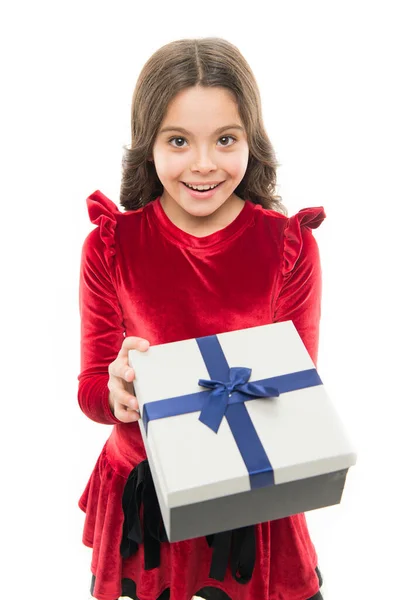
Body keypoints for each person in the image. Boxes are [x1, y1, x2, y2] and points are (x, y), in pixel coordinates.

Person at [77, 37, 326, 600]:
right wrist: (116, 391)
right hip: (147, 495)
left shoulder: (289, 247)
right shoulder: (111, 246)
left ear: (251, 142)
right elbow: (92, 386)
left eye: (226, 139)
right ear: (149, 146)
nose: (204, 163)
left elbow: (296, 388)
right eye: (179, 141)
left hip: (250, 497)